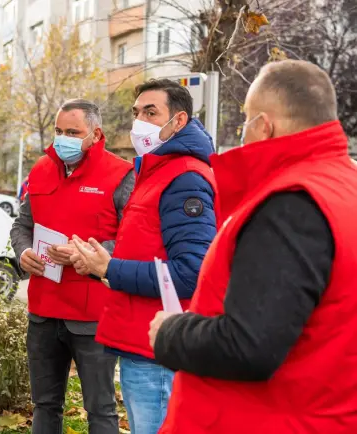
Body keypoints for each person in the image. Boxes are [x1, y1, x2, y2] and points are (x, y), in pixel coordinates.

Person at [148, 60, 357, 433]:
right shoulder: (343, 188)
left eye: (245, 120)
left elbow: (248, 346)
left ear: (264, 125)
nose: (243, 131)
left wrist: (170, 333)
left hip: (259, 418)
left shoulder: (291, 205)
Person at [71, 79, 217, 434]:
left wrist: (111, 269)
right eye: (137, 112)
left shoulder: (185, 178)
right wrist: (99, 262)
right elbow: (147, 248)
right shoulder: (155, 171)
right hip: (143, 343)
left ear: (178, 121)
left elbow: (191, 272)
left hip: (160, 351)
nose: (140, 120)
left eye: (151, 112)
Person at [11, 99, 134, 434]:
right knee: (45, 405)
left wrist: (86, 254)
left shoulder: (121, 174)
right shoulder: (40, 170)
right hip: (43, 311)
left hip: (93, 317)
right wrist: (23, 253)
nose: (62, 139)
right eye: (58, 131)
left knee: (101, 410)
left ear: (95, 134)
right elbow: (22, 226)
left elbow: (132, 239)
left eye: (72, 132)